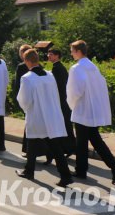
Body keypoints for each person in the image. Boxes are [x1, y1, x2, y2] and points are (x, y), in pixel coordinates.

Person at [67, 40, 115, 184]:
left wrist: (71, 105)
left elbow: (75, 91)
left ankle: (84, 170)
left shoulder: (76, 68)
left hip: (82, 110)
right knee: (95, 141)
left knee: (82, 143)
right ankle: (114, 168)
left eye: (72, 50)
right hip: (93, 111)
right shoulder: (92, 66)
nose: (71, 53)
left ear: (78, 51)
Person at [15, 49, 73, 187]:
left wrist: (26, 110)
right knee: (53, 146)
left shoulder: (27, 77)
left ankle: (30, 171)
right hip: (52, 115)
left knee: (33, 141)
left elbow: (24, 100)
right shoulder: (49, 75)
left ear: (27, 61)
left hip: (38, 116)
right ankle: (65, 175)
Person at [47, 47, 75, 157]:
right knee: (66, 125)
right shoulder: (59, 67)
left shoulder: (57, 68)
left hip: (61, 101)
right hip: (64, 100)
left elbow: (57, 87)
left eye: (51, 54)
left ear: (57, 56)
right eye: (48, 54)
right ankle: (69, 148)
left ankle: (69, 148)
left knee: (64, 126)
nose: (49, 56)